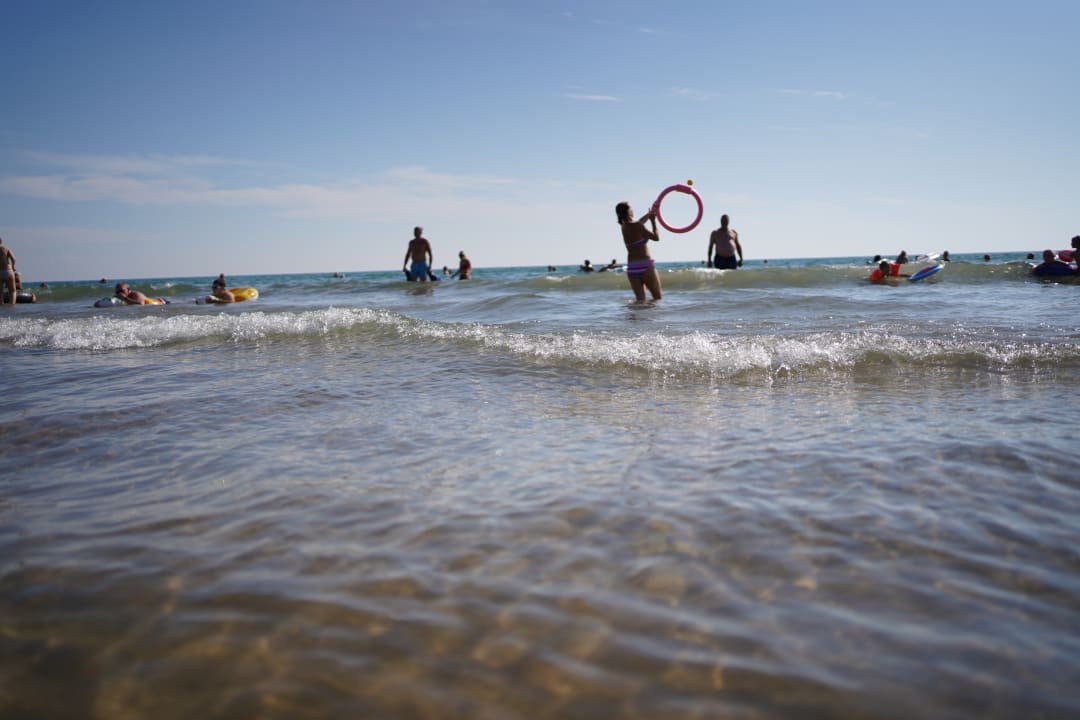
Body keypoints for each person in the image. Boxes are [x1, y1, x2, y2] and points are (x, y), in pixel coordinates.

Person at [616, 201, 662, 302]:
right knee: (657, 298)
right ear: (628, 212)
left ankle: (638, 318)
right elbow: (656, 237)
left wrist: (649, 214)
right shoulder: (637, 226)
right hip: (645, 265)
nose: (633, 209)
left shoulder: (624, 227)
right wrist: (653, 221)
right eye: (631, 208)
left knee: (640, 301)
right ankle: (652, 317)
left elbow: (639, 223)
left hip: (632, 268)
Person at [0, 237, 16, 306]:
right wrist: (13, 267)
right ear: (1, 241)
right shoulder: (6, 249)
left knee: (0, 291)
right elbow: (14, 259)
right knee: (12, 291)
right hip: (8, 271)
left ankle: (1, 306)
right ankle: (12, 305)